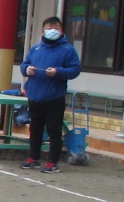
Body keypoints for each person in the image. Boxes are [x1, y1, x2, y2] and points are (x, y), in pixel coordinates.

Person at [19, 15, 82, 173]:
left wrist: (58, 72)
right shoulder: (36, 49)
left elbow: (75, 70)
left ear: (61, 31)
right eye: (49, 28)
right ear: (43, 31)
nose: (53, 31)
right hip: (35, 95)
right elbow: (24, 64)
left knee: (54, 130)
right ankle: (33, 157)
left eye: (56, 28)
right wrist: (27, 70)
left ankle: (52, 162)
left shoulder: (68, 50)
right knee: (35, 128)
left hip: (54, 97)